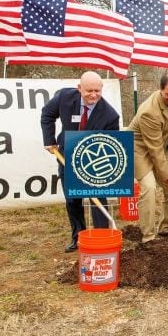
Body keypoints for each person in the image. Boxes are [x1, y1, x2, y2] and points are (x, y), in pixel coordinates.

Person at [41, 71, 120, 253]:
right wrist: (49, 139)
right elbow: (47, 114)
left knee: (98, 197)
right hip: (67, 155)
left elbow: (111, 146)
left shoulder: (110, 116)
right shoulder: (64, 98)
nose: (93, 95)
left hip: (93, 162)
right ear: (79, 89)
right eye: (89, 91)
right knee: (72, 198)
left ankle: (102, 236)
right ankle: (78, 236)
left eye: (97, 91)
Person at [128, 72, 168, 243]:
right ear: (160, 89)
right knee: (149, 188)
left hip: (159, 144)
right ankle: (148, 236)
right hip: (139, 148)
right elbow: (155, 150)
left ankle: (166, 227)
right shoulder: (149, 112)